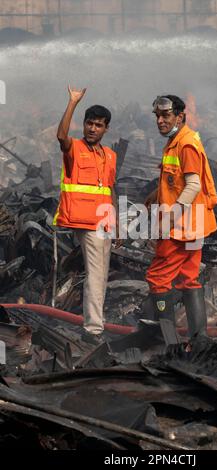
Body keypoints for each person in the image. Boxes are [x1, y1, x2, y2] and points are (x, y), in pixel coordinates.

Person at [145, 95, 217, 341]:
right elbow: (177, 180)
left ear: (179, 116)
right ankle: (199, 341)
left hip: (180, 227)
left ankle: (167, 342)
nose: (160, 120)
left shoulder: (186, 144)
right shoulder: (178, 140)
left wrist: (172, 217)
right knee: (189, 277)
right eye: (157, 116)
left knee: (158, 278)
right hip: (194, 225)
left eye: (166, 116)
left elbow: (194, 185)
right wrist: (155, 195)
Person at [53, 86, 118, 345]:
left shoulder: (110, 155)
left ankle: (95, 323)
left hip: (102, 222)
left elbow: (110, 189)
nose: (93, 128)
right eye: (89, 124)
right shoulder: (74, 149)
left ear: (106, 128)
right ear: (84, 125)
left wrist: (116, 225)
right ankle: (93, 329)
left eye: (98, 125)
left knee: (100, 275)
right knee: (95, 274)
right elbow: (61, 135)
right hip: (83, 220)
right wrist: (72, 103)